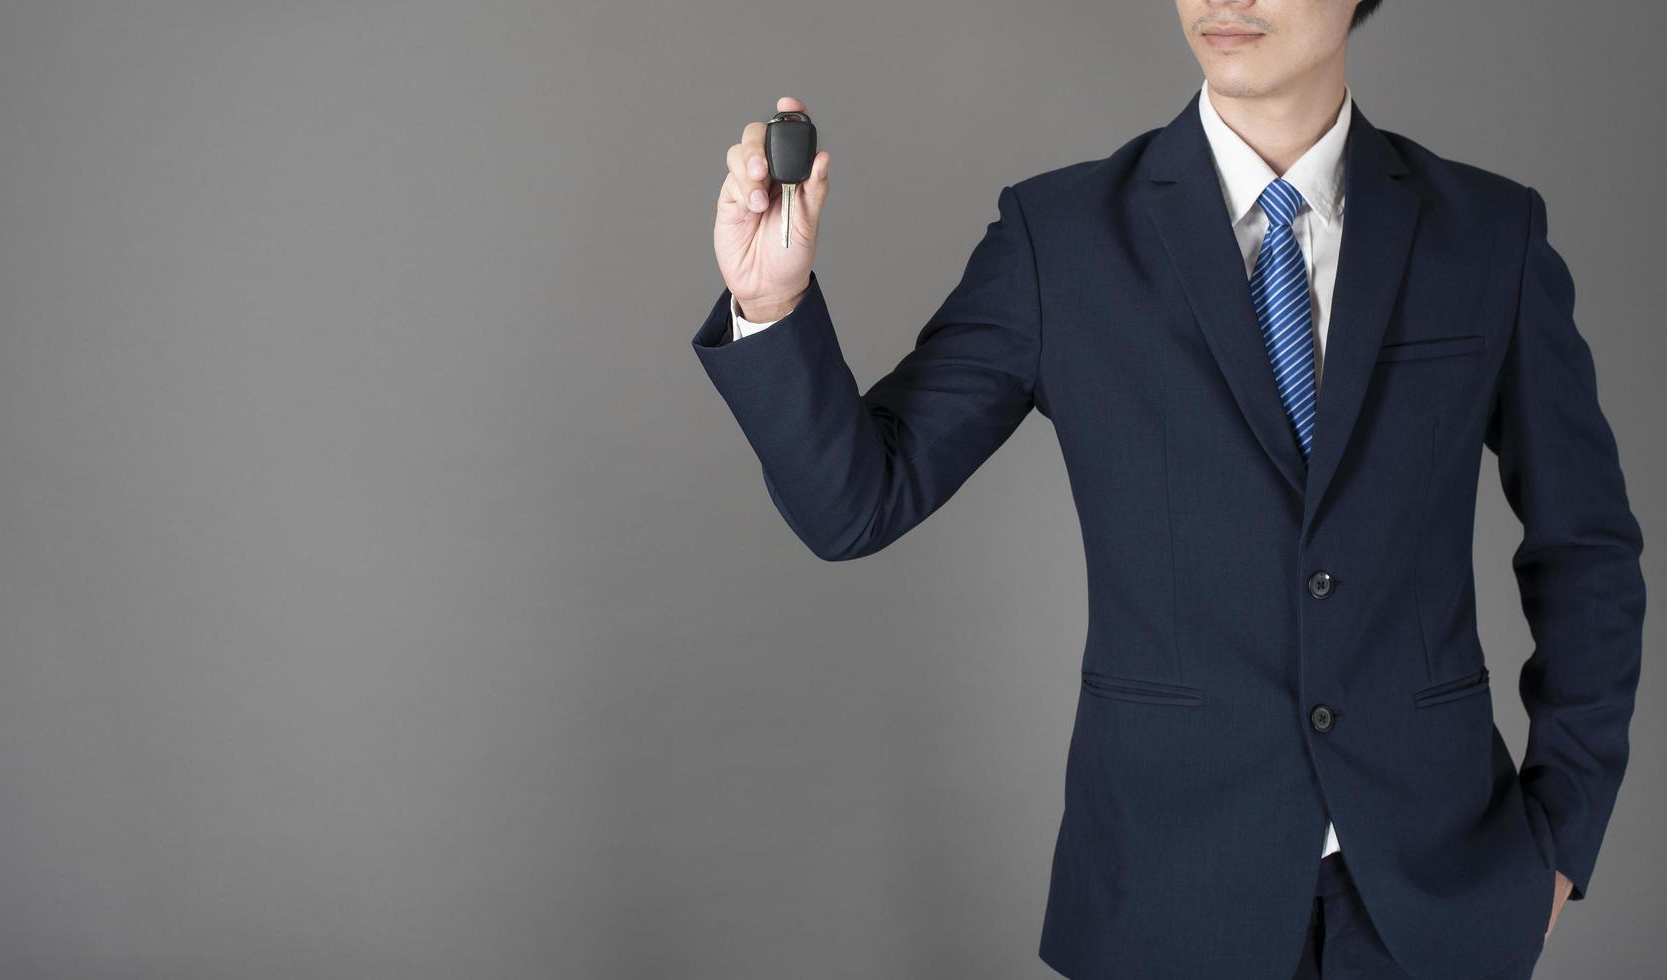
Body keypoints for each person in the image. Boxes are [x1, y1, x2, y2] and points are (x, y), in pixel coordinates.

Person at [690, 1, 1645, 976]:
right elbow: (857, 502)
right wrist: (771, 308)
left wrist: (1559, 839)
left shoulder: (1486, 233)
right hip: (1163, 898)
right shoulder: (1057, 238)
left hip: (1437, 897)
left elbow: (1586, 549)